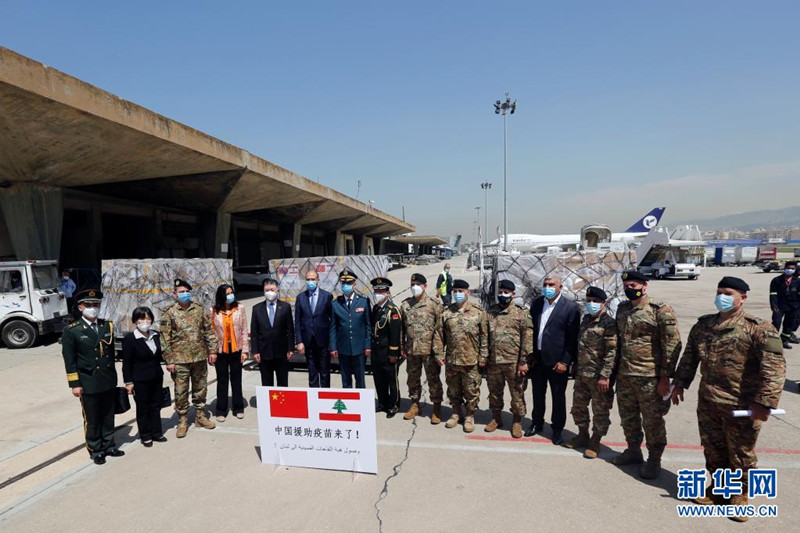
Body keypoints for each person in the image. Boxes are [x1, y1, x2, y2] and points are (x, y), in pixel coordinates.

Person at [672, 276, 785, 521]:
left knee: (742, 452)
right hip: (709, 401)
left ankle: (741, 494)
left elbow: (774, 368)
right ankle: (719, 489)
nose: (722, 297)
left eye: (728, 293)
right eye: (719, 291)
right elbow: (689, 357)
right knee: (713, 448)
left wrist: (765, 401)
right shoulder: (704, 325)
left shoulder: (759, 328)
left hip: (742, 405)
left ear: (743, 298)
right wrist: (680, 384)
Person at [612, 270, 682, 479]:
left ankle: (654, 459)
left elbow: (672, 345)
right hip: (625, 375)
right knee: (628, 418)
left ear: (644, 286)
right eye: (626, 286)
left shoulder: (660, 310)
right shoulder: (622, 309)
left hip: (650, 377)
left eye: (633, 286)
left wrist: (664, 377)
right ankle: (633, 450)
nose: (629, 289)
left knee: (653, 421)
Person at [61, 289, 123, 464]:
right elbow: (70, 360)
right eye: (89, 305)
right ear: (81, 307)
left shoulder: (106, 326)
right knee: (93, 417)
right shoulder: (72, 331)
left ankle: (109, 444)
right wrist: (75, 384)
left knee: (108, 414)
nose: (93, 308)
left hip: (107, 379)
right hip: (88, 381)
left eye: (96, 304)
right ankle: (96, 448)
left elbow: (110, 354)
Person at [525, 274, 580, 445]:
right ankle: (537, 423)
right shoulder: (537, 303)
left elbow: (572, 338)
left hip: (557, 362)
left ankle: (557, 430)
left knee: (558, 397)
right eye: (545, 284)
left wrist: (565, 361)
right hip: (538, 359)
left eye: (551, 285)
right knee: (537, 394)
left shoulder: (570, 308)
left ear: (560, 287)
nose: (547, 288)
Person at [160, 279, 218, 438]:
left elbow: (208, 331)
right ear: (174, 294)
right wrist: (169, 360)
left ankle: (200, 416)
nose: (185, 294)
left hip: (199, 357)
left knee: (201, 387)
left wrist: (213, 351)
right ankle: (183, 420)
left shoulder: (199, 309)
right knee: (181, 391)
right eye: (181, 291)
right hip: (179, 360)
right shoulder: (169, 312)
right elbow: (165, 338)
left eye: (187, 291)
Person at [565, 287, 617, 458]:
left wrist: (605, 376)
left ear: (604, 303)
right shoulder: (586, 319)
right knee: (578, 407)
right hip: (582, 373)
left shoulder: (609, 324)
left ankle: (595, 440)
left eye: (596, 301)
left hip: (598, 376)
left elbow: (612, 352)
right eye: (589, 301)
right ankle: (582, 434)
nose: (591, 304)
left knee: (600, 410)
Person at [486, 280, 533, 439]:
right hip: (494, 362)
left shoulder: (521, 312)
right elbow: (485, 336)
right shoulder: (491, 311)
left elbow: (527, 338)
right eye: (500, 291)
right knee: (494, 392)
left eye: (506, 292)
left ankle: (517, 422)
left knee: (517, 394)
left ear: (513, 294)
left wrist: (523, 361)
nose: (502, 294)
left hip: (514, 363)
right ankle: (496, 418)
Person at [439, 279, 487, 433]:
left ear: (468, 292)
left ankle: (470, 416)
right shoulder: (446, 312)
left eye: (461, 291)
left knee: (471, 390)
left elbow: (485, 336)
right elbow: (439, 335)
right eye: (455, 291)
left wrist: (483, 356)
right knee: (453, 390)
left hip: (471, 360)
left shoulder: (478, 312)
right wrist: (439, 353)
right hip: (452, 360)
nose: (458, 294)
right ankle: (455, 413)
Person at [400, 273, 445, 423]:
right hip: (412, 350)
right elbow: (402, 329)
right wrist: (402, 347)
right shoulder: (405, 305)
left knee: (433, 380)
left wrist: (439, 352)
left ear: (425, 286)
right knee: (412, 379)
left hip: (430, 351)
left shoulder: (435, 304)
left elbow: (439, 330)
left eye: (418, 284)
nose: (415, 287)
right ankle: (415, 405)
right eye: (412, 284)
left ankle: (436, 407)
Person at [122, 306, 166, 447]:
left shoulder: (155, 335)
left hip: (156, 377)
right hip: (140, 379)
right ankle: (145, 434)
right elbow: (126, 363)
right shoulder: (130, 339)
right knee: (143, 407)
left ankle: (157, 432)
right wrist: (128, 381)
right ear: (135, 321)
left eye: (148, 318)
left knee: (156, 405)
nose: (145, 321)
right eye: (142, 318)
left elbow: (160, 356)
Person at [210, 284, 249, 421]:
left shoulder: (240, 308)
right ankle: (221, 409)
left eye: (231, 293)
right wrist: (211, 352)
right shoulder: (213, 311)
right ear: (221, 296)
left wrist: (245, 350)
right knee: (222, 380)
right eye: (227, 294)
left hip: (236, 349)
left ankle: (238, 407)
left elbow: (244, 329)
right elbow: (211, 333)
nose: (230, 296)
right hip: (220, 351)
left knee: (236, 379)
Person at [329, 269, 372, 388]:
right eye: (343, 283)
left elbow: (368, 325)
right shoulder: (336, 303)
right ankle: (349, 404)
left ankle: (361, 405)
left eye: (349, 283)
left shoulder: (363, 301)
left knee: (360, 379)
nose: (346, 286)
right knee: (346, 379)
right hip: (343, 348)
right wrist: (333, 347)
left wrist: (368, 345)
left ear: (354, 285)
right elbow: (333, 327)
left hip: (360, 348)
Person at [251, 278, 295, 387]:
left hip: (281, 352)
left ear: (277, 291)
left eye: (272, 289)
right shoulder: (257, 309)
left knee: (283, 381)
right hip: (264, 352)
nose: (269, 292)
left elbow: (290, 329)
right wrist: (255, 351)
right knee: (266, 382)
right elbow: (254, 332)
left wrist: (290, 348)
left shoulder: (285, 307)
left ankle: (282, 404)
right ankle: (268, 403)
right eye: (267, 290)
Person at [295, 268, 333, 387]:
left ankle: (325, 396)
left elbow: (332, 320)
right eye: (308, 279)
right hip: (308, 341)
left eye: (313, 279)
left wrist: (332, 342)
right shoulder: (301, 297)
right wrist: (299, 341)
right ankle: (314, 398)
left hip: (323, 341)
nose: (310, 281)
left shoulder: (327, 296)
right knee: (312, 372)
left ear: (318, 280)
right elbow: (297, 321)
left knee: (325, 371)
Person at [370, 277, 402, 417]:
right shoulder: (376, 308)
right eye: (376, 291)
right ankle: (382, 402)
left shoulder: (392, 310)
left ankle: (393, 405)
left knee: (391, 379)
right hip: (377, 351)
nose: (378, 294)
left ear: (387, 293)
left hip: (388, 351)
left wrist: (394, 352)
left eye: (381, 291)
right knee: (379, 379)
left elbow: (395, 334)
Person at [769, 260, 800, 349]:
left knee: (789, 324)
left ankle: (784, 340)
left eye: (792, 269)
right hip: (779, 306)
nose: (790, 270)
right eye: (788, 268)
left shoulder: (797, 281)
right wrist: (774, 305)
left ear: (795, 270)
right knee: (776, 323)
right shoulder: (776, 280)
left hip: (793, 307)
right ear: (785, 268)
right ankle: (772, 341)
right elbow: (773, 294)